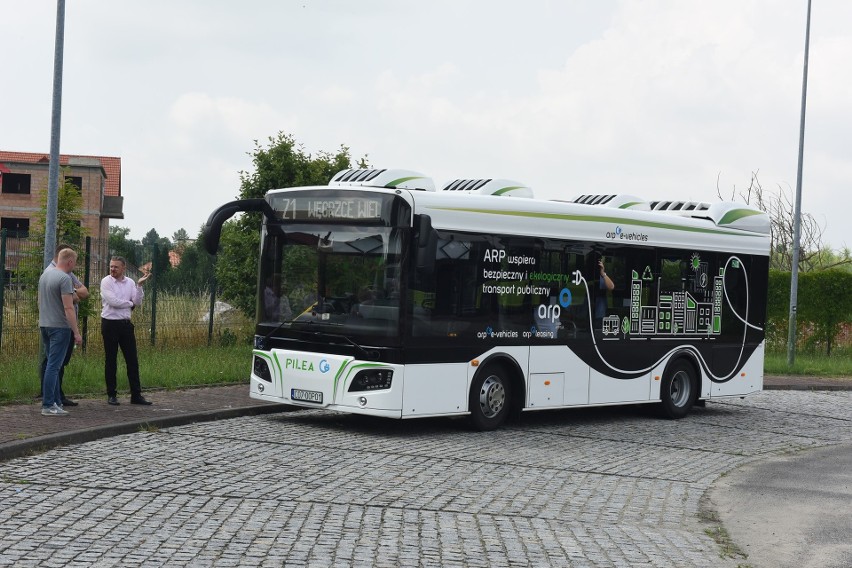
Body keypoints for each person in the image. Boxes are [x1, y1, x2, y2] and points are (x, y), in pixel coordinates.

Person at [38, 244, 89, 407]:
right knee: (53, 366)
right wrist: (76, 332)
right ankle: (49, 403)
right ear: (69, 261)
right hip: (59, 326)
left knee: (53, 365)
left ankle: (57, 401)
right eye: (74, 262)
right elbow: (68, 307)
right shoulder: (64, 278)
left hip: (45, 324)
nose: (74, 266)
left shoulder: (45, 276)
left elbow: (41, 301)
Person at [100, 256, 153, 406]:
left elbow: (137, 302)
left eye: (116, 267)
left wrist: (140, 286)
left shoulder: (130, 282)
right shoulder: (106, 282)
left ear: (123, 268)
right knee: (111, 360)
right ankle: (112, 394)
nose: (112, 269)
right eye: (111, 266)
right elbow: (113, 302)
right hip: (110, 324)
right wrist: (129, 304)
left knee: (132, 360)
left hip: (125, 324)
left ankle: (136, 395)